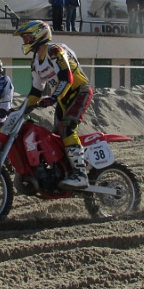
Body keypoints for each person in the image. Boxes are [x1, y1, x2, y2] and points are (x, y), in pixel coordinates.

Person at [13, 20, 93, 189]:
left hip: (79, 91)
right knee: (55, 137)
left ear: (38, 36)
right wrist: (22, 110)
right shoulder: (35, 61)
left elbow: (67, 77)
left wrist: (53, 98)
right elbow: (36, 90)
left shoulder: (55, 51)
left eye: (27, 38)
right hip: (63, 98)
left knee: (67, 128)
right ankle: (62, 172)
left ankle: (81, 175)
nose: (25, 42)